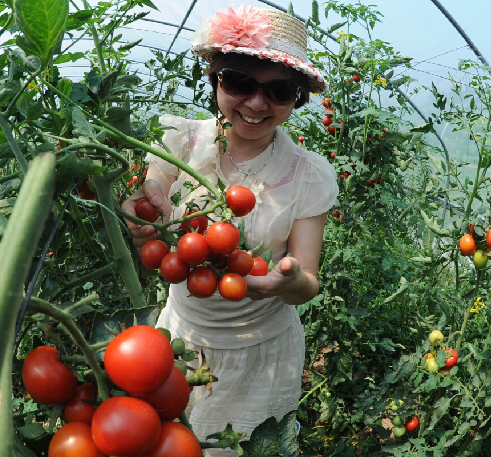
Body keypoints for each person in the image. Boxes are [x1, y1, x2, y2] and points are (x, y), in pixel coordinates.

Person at [121, 4, 338, 446]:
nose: (256, 104)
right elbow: (150, 195)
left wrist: (286, 281)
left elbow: (307, 282)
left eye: (280, 92)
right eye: (239, 82)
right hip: (180, 340)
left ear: (297, 99)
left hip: (265, 357)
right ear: (215, 79)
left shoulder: (307, 174)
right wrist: (140, 212)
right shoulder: (180, 143)